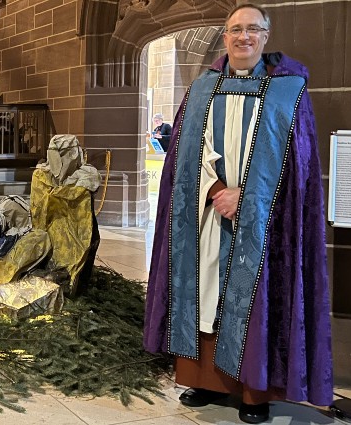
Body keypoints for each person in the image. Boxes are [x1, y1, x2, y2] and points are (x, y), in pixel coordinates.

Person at [143, 4, 332, 424]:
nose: (243, 37)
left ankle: (253, 393)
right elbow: (186, 152)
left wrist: (247, 196)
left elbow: (299, 165)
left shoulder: (290, 92)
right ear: (224, 37)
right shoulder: (202, 89)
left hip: (265, 220)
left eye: (252, 29)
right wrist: (215, 190)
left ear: (266, 36)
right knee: (205, 290)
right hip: (208, 214)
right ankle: (205, 381)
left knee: (255, 300)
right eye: (235, 30)